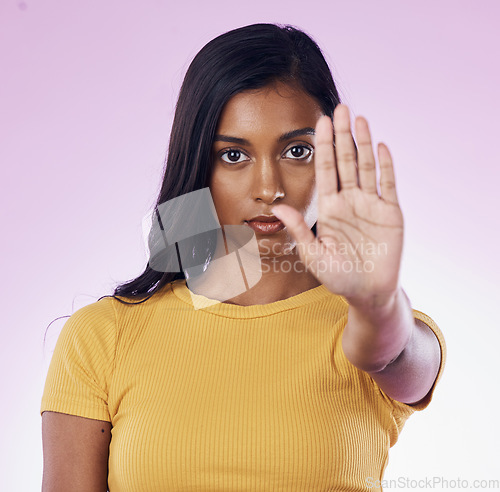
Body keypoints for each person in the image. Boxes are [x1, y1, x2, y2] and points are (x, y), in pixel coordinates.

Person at [40, 23, 446, 491]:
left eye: (297, 150)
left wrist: (376, 306)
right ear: (198, 165)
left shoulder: (370, 327)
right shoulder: (103, 336)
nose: (268, 188)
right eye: (233, 156)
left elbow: (395, 356)